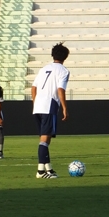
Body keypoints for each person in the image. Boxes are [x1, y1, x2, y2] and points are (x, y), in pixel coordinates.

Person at [31, 43, 70, 179]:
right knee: (44, 139)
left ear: (52, 55)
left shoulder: (44, 69)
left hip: (38, 106)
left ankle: (48, 169)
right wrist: (64, 107)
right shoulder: (63, 71)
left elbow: (33, 88)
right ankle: (40, 172)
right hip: (49, 105)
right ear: (65, 57)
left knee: (45, 138)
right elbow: (60, 90)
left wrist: (36, 103)